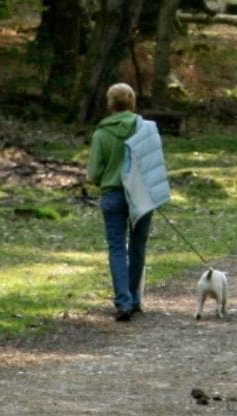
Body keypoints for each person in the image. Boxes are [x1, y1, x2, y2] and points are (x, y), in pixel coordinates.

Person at [87, 83, 152, 321]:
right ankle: (134, 299)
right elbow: (154, 164)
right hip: (142, 194)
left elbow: (93, 174)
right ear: (133, 102)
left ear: (110, 103)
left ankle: (122, 301)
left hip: (113, 194)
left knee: (116, 247)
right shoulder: (146, 129)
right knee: (138, 246)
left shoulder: (101, 133)